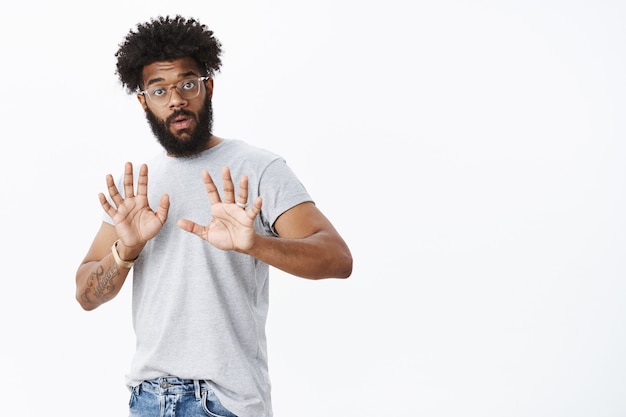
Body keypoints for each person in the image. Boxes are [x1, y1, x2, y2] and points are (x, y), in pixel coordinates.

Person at [75, 15, 352, 417]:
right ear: (143, 100)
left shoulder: (257, 168)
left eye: (187, 84)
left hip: (224, 402)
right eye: (159, 89)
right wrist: (127, 249)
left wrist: (256, 243)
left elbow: (337, 259)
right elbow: (85, 294)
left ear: (208, 86)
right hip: (147, 399)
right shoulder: (137, 188)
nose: (176, 100)